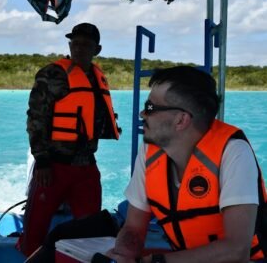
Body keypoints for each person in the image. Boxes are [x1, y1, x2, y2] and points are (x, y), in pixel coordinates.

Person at [107, 66, 267, 263]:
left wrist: (157, 262)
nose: (142, 113)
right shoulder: (150, 151)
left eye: (150, 108)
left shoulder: (233, 153)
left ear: (181, 120)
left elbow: (237, 251)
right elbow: (133, 227)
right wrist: (122, 255)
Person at [17, 22, 121, 257]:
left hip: (86, 165)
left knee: (91, 226)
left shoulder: (97, 77)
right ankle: (29, 257)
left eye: (86, 44)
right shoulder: (51, 74)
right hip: (53, 166)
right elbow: (36, 119)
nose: (79, 48)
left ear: (98, 49)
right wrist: (42, 161)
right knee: (35, 227)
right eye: (75, 42)